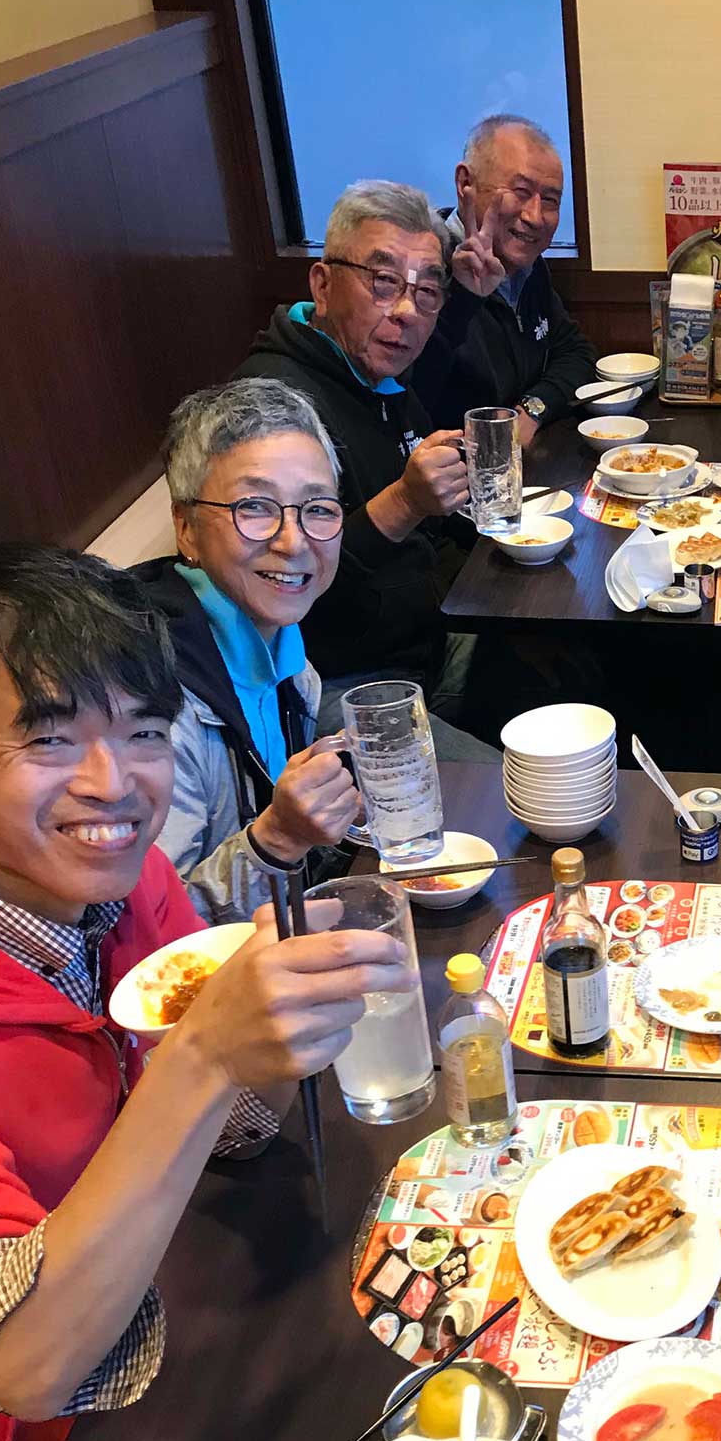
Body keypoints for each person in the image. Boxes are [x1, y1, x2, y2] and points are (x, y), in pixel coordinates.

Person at [0, 544, 415, 1441]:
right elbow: (21, 1370)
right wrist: (207, 1054)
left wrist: (275, 1025)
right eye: (50, 739)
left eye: (143, 732)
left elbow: (237, 1131)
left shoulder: (132, 887)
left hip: (183, 1306)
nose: (115, 783)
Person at [233, 180, 498, 759]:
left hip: (424, 643)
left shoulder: (378, 377)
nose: (405, 311)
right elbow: (285, 590)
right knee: (511, 794)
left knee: (573, 667)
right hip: (330, 688)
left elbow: (438, 527)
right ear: (322, 285)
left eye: (426, 291)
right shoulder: (270, 409)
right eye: (382, 282)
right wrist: (403, 503)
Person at [135, 378, 360, 922]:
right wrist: (278, 839)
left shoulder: (290, 659)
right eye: (255, 506)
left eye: (318, 508)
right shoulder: (150, 704)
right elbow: (145, 934)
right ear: (186, 528)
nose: (293, 540)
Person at [411, 114, 598, 437]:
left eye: (550, 200)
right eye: (521, 191)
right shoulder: (419, 271)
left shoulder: (527, 267)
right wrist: (465, 297)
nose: (535, 217)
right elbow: (409, 395)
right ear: (465, 184)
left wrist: (532, 409)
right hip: (449, 462)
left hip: (519, 459)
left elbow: (576, 352)